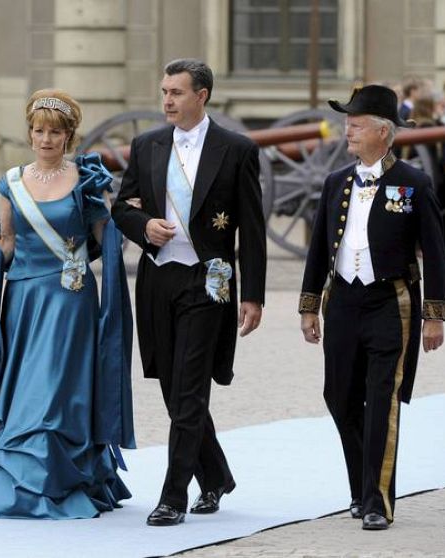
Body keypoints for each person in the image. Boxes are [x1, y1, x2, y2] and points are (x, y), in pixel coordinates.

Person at [111, 58, 266, 527]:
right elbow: (122, 208)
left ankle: (173, 496)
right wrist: (144, 227)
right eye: (163, 92)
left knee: (192, 389)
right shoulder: (147, 145)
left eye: (176, 93)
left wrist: (253, 294)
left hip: (210, 280)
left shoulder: (236, 149)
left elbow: (254, 229)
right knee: (174, 389)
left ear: (202, 96)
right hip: (160, 278)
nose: (167, 101)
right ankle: (216, 475)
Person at [0, 89, 134, 519]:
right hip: (23, 302)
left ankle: (58, 479)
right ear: (30, 134)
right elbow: (6, 243)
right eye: (39, 131)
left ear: (68, 136)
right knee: (24, 393)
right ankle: (17, 481)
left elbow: (103, 240)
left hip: (69, 302)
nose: (45, 139)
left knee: (57, 394)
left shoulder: (86, 179)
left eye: (54, 132)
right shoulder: (13, 182)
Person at [299, 84, 445, 530]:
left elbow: (436, 253)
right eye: (348, 124)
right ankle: (359, 488)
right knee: (340, 397)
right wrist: (308, 306)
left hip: (391, 304)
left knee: (382, 400)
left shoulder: (414, 183)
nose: (348, 131)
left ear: (384, 132)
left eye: (357, 124)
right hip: (342, 301)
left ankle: (378, 501)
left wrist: (434, 316)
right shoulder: (335, 183)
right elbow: (318, 250)